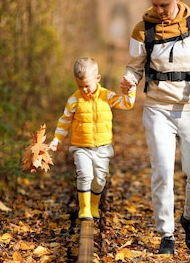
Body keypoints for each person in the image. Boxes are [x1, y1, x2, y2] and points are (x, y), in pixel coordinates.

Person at [120, 0, 190, 255]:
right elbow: (134, 67)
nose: (159, 11)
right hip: (158, 110)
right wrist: (128, 79)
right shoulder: (143, 29)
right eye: (154, 5)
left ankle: (189, 218)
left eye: (164, 5)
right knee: (163, 172)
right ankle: (167, 234)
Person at [49, 57, 136, 219]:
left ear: (98, 79)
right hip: (81, 147)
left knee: (99, 180)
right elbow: (64, 121)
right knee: (85, 175)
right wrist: (57, 139)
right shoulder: (74, 99)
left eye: (87, 86)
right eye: (80, 86)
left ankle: (94, 204)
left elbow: (127, 104)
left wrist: (130, 91)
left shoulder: (106, 96)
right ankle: (85, 208)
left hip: (103, 147)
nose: (85, 90)